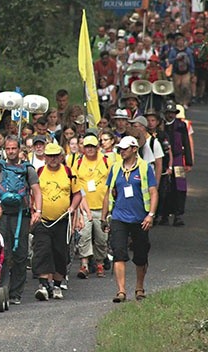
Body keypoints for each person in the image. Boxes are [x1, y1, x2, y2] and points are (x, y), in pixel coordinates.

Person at [0, 135, 42, 305]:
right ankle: (2, 288)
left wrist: (37, 211)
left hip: (21, 216)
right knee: (1, 253)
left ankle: (16, 292)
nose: (10, 152)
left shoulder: (27, 169)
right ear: (4, 150)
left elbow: (36, 190)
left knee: (20, 254)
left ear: (19, 149)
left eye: (14, 148)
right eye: (8, 148)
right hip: (1, 216)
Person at [101, 136, 158, 303]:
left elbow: (153, 192)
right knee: (119, 252)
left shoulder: (145, 168)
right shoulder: (116, 167)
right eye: (120, 149)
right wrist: (104, 217)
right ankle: (121, 290)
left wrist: (151, 215)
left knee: (141, 255)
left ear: (134, 149)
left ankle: (139, 287)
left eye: (125, 148)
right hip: (119, 216)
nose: (122, 151)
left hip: (140, 218)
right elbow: (107, 192)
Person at [33, 144, 82, 301]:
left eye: (56, 156)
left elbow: (77, 194)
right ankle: (43, 285)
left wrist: (72, 208)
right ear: (45, 157)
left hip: (62, 220)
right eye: (49, 156)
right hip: (43, 219)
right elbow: (32, 192)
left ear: (61, 157)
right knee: (42, 250)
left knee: (60, 252)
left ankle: (57, 284)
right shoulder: (39, 172)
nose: (53, 159)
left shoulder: (68, 172)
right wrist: (34, 210)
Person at [72, 135, 112, 279]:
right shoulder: (77, 163)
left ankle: (100, 263)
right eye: (87, 146)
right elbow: (75, 187)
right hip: (84, 206)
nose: (89, 149)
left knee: (102, 238)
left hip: (102, 207)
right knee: (84, 236)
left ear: (97, 147)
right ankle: (84, 265)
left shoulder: (107, 161)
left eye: (92, 146)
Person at [163, 101, 193, 226]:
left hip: (178, 159)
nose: (171, 115)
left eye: (172, 113)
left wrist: (189, 162)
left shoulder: (181, 125)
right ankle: (163, 214)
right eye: (168, 113)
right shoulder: (162, 126)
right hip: (164, 159)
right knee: (165, 187)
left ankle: (178, 215)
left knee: (179, 186)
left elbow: (186, 143)